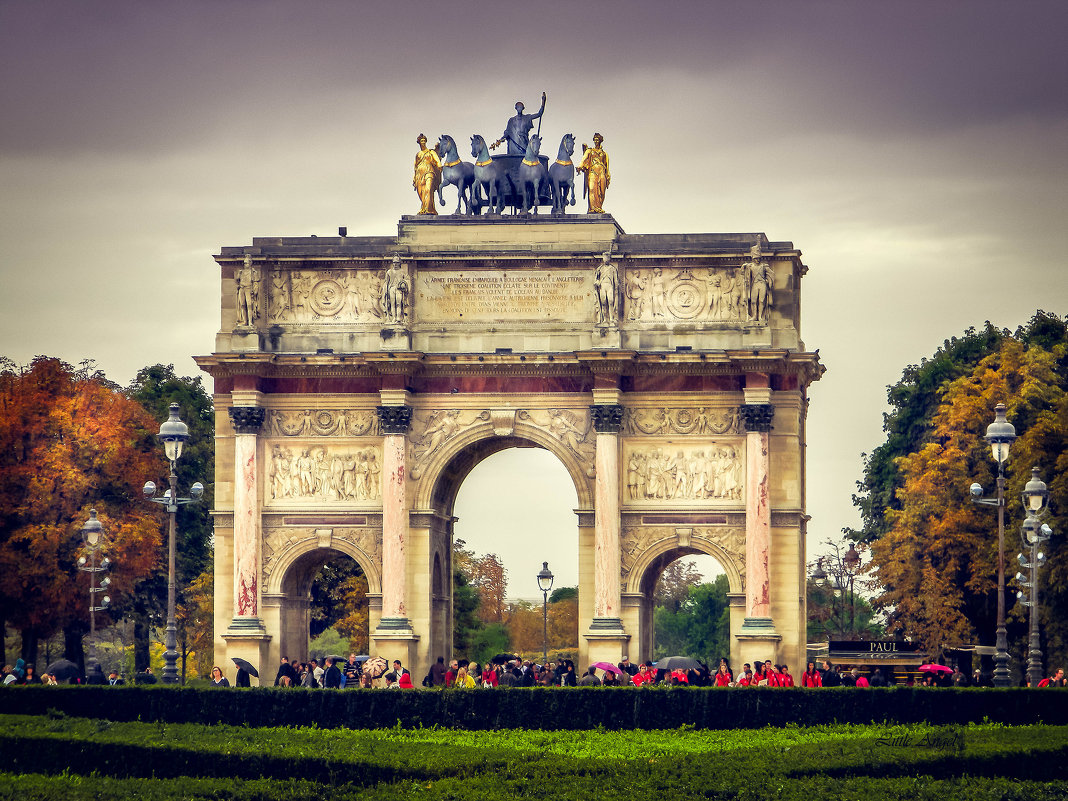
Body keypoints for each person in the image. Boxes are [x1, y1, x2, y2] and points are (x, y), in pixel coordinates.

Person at [576, 133, 610, 214]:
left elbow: (607, 166)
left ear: (600, 141)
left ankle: (599, 207)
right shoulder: (590, 151)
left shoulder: (604, 153)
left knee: (601, 192)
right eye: (595, 139)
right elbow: (584, 159)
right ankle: (592, 208)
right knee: (592, 189)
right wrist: (580, 166)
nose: (596, 141)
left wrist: (608, 175)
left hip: (602, 172)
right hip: (592, 172)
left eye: (597, 139)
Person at [413, 133, 442, 215]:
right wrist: (414, 177)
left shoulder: (431, 152)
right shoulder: (418, 154)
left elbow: (437, 159)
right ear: (419, 142)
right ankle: (424, 208)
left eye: (424, 141)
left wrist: (439, 164)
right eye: (421, 141)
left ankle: (429, 210)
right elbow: (415, 167)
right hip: (419, 174)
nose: (423, 142)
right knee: (421, 192)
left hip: (429, 171)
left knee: (429, 189)